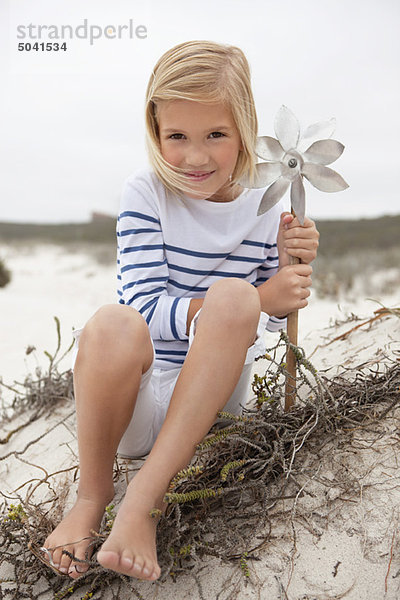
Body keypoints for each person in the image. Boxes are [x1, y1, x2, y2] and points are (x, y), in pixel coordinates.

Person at [41, 40, 319, 582]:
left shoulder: (268, 205)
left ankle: (139, 503)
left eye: (216, 134)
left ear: (245, 128)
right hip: (138, 403)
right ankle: (94, 495)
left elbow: (258, 322)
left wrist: (288, 271)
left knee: (235, 297)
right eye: (177, 137)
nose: (195, 157)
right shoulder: (146, 193)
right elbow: (141, 309)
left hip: (211, 406)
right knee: (112, 323)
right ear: (155, 132)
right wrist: (262, 299)